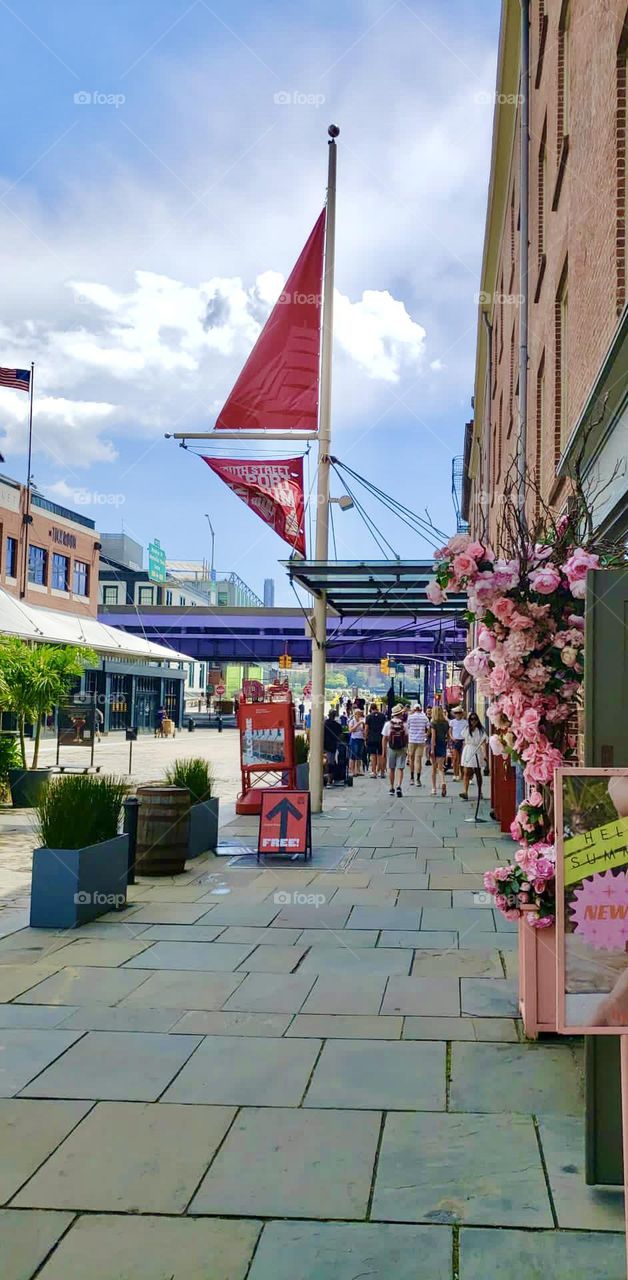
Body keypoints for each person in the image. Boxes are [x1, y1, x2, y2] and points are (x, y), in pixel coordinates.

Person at [460, 711, 488, 799]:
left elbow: (483, 743)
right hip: (468, 750)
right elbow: (464, 741)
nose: (473, 721)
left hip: (476, 750)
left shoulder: (481, 730)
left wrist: (485, 754)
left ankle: (480, 792)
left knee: (477, 772)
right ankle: (465, 791)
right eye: (471, 719)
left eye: (475, 719)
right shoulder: (466, 729)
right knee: (466, 771)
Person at [382, 703, 408, 797]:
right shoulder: (404, 725)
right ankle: (399, 786)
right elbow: (406, 737)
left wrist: (383, 751)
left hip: (391, 748)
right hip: (401, 748)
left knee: (391, 768)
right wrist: (406, 748)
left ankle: (391, 787)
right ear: (400, 714)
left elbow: (384, 738)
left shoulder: (388, 724)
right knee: (400, 768)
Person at [406, 702, 430, 787]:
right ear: (420, 709)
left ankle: (412, 778)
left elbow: (407, 727)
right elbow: (428, 727)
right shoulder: (424, 717)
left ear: (414, 709)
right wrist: (426, 735)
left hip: (412, 740)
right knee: (418, 760)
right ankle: (418, 779)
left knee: (411, 759)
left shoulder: (410, 717)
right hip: (421, 740)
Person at [430, 706, 450, 797]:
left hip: (436, 745)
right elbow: (448, 736)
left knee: (434, 768)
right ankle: (443, 782)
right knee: (441, 768)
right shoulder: (446, 723)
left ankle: (434, 788)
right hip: (443, 744)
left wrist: (432, 749)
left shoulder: (433, 723)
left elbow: (433, 737)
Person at [365, 702, 386, 777]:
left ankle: (374, 772)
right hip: (381, 738)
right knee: (381, 755)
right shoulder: (382, 716)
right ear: (377, 708)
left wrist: (365, 737)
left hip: (371, 738)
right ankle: (382, 772)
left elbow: (366, 729)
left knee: (373, 756)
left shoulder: (368, 717)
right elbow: (385, 726)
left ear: (370, 709)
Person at [323, 707, 343, 783]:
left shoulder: (324, 723)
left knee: (327, 762)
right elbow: (341, 735)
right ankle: (329, 779)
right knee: (330, 762)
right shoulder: (337, 725)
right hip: (332, 746)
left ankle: (327, 778)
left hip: (323, 745)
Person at [449, 706, 468, 781]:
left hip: (462, 741)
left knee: (462, 759)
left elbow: (467, 732)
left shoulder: (465, 722)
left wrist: (465, 740)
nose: (458, 714)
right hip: (455, 741)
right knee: (455, 758)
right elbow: (450, 731)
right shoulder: (452, 722)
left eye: (459, 713)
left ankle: (462, 775)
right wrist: (452, 738)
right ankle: (455, 774)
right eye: (456, 713)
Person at [347, 707, 365, 776]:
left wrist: (362, 725)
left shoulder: (362, 720)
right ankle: (352, 770)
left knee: (359, 755)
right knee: (353, 755)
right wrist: (358, 724)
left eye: (360, 714)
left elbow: (363, 729)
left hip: (361, 739)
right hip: (354, 739)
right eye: (357, 714)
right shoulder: (352, 721)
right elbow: (350, 730)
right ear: (355, 714)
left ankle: (358, 770)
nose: (359, 715)